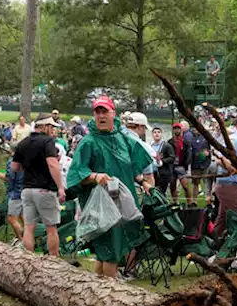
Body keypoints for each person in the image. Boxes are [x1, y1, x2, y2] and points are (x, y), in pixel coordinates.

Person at [66, 97, 151, 277]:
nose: (101, 116)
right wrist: (95, 176)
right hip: (101, 207)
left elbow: (131, 166)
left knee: (105, 253)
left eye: (105, 111)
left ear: (114, 114)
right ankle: (110, 296)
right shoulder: (88, 142)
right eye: (98, 112)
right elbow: (76, 173)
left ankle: (95, 293)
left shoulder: (123, 139)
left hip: (123, 205)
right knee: (110, 252)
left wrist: (143, 182)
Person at [16, 114, 66, 256]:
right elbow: (52, 164)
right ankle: (53, 262)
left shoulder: (23, 142)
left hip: (27, 189)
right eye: (51, 127)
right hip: (44, 189)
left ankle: (28, 260)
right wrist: (61, 188)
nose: (53, 130)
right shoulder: (48, 142)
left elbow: (14, 167)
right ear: (45, 127)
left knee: (29, 227)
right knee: (51, 228)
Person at [0, 146, 25, 239]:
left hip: (16, 193)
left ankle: (22, 240)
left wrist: (1, 175)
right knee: (23, 216)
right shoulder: (27, 160)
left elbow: (10, 178)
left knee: (12, 218)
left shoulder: (12, 161)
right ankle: (31, 238)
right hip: (25, 191)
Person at [152, 127, 177, 199]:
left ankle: (164, 206)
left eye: (158, 132)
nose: (157, 134)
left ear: (161, 134)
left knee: (161, 192)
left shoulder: (166, 145)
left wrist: (162, 161)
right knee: (154, 192)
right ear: (152, 134)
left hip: (163, 173)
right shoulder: (150, 145)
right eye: (155, 132)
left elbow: (172, 158)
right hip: (153, 172)